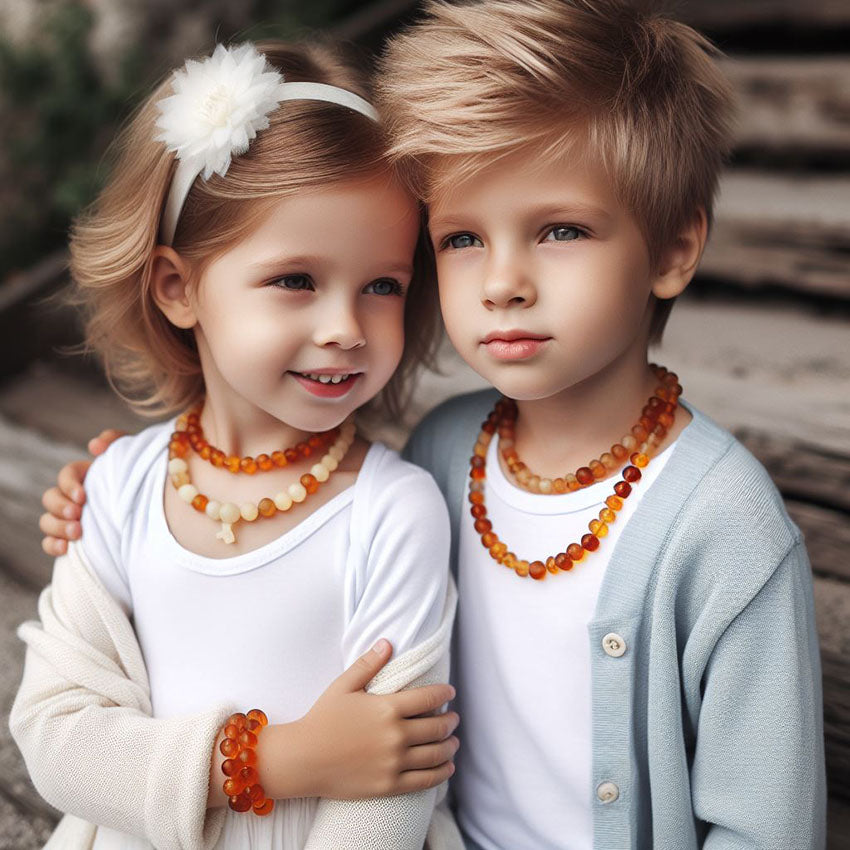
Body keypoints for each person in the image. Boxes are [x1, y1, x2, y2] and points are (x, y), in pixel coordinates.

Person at [39, 2, 828, 848]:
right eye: (460, 239)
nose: (504, 282)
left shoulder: (724, 526)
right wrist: (113, 489)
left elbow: (767, 823)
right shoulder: (448, 451)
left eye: (561, 230)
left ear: (673, 250)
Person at [12, 39, 464, 850]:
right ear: (179, 288)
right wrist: (276, 759)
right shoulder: (114, 491)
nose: (345, 329)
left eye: (382, 286)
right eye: (296, 280)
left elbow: (395, 783)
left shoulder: (392, 513)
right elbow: (57, 740)